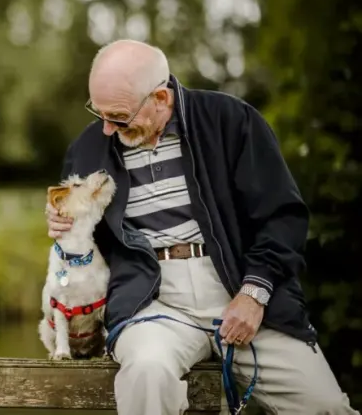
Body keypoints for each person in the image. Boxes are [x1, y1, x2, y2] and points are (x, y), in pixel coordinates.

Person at [45, 39, 358, 414]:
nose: (107, 129)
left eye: (119, 117)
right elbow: (83, 235)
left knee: (325, 406)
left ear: (160, 98)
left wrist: (255, 292)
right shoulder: (88, 147)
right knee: (146, 374)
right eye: (100, 115)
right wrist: (65, 223)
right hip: (151, 298)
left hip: (241, 287)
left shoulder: (232, 120)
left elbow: (282, 217)